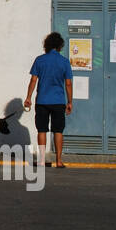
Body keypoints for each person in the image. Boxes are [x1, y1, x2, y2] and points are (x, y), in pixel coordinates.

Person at [24, 31, 74, 168]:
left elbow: (33, 81)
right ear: (60, 46)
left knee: (42, 130)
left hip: (42, 101)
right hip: (58, 101)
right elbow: (68, 83)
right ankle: (58, 160)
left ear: (47, 45)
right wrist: (70, 101)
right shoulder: (64, 62)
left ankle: (41, 160)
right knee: (58, 130)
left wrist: (28, 97)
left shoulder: (40, 60)